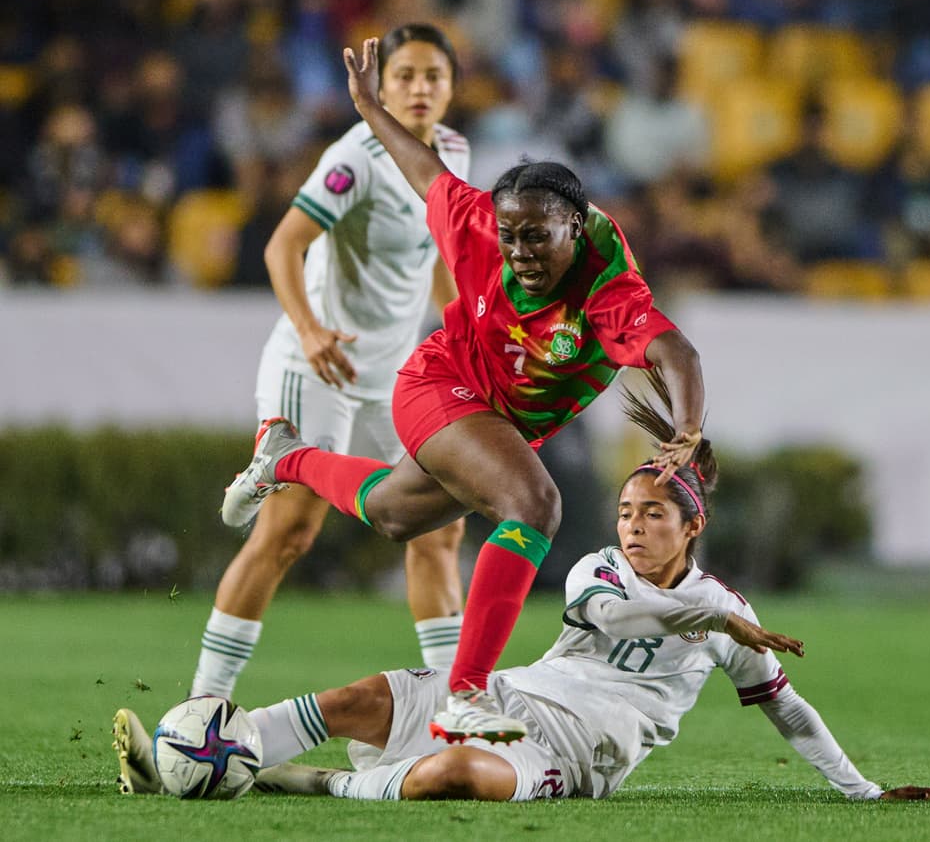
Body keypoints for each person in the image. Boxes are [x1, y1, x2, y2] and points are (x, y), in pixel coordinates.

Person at [113, 371, 930, 803]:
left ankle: (309, 781)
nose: (633, 526)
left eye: (653, 515)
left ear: (693, 527)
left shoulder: (727, 616)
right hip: (510, 695)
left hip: (572, 755)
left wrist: (859, 789)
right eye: (625, 510)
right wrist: (709, 613)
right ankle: (198, 754)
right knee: (357, 697)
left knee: (458, 776)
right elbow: (618, 612)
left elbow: (787, 707)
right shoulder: (599, 572)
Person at [216, 37, 707, 745]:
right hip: (439, 384)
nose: (520, 253)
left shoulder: (606, 283)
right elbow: (423, 168)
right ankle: (465, 693)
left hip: (496, 419)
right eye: (511, 237)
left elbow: (675, 350)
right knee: (534, 504)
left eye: (536, 237)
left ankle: (284, 456)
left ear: (574, 224)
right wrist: (369, 108)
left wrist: (687, 430)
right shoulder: (481, 221)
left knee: (392, 513)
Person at [190, 24, 471, 702]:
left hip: (390, 375)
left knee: (441, 522)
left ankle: (458, 701)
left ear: (453, 86)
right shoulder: (358, 155)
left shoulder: (455, 153)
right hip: (317, 365)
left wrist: (467, 330)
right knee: (290, 530)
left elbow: (437, 258)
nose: (419, 89)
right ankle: (203, 703)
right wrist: (311, 330)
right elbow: (283, 247)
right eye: (404, 75)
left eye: (434, 76)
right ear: (383, 83)